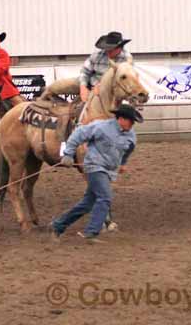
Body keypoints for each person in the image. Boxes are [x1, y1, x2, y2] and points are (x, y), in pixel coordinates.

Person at [49, 104, 143, 243]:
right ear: (121, 119)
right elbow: (78, 134)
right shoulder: (101, 127)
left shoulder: (131, 135)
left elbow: (128, 149)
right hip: (94, 167)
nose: (132, 124)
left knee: (87, 204)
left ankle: (58, 226)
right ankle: (91, 233)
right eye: (131, 120)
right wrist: (68, 154)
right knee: (105, 197)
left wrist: (122, 163)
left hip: (109, 171)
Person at [40, 31, 133, 101]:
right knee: (55, 87)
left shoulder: (126, 60)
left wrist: (101, 87)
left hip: (109, 89)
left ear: (119, 48)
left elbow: (124, 80)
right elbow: (85, 71)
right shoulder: (97, 55)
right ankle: (41, 102)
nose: (108, 51)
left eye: (111, 49)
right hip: (89, 83)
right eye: (107, 48)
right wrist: (83, 87)